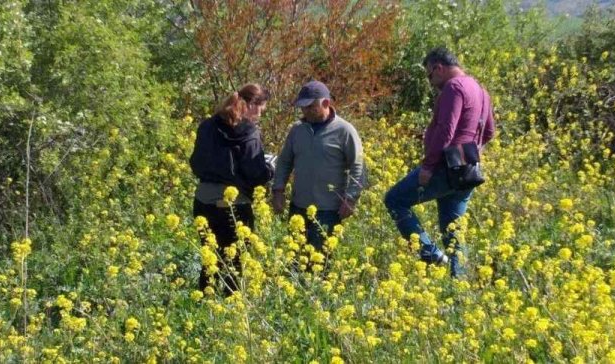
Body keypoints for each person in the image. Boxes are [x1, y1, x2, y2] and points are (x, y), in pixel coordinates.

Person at [384, 47, 495, 277]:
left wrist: (428, 166)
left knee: (394, 200)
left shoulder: (454, 87)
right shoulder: (481, 90)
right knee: (453, 231)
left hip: (444, 168)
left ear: (439, 68)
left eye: (429, 75)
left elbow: (446, 130)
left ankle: (431, 254)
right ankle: (459, 287)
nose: (430, 81)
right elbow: (489, 132)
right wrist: (473, 152)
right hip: (468, 171)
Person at [189, 83, 274, 294]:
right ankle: (232, 307)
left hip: (203, 201)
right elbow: (255, 173)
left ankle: (205, 305)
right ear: (253, 105)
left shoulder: (207, 125)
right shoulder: (249, 132)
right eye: (261, 110)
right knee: (236, 262)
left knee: (210, 259)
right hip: (235, 205)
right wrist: (271, 169)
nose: (260, 115)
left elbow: (196, 163)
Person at [272, 80, 364, 254]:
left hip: (328, 211)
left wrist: (351, 198)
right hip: (298, 208)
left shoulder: (345, 131)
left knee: (320, 266)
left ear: (326, 103)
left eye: (310, 107)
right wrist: (278, 190)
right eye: (302, 107)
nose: (305, 111)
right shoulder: (297, 130)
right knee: (295, 261)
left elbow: (357, 167)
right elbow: (284, 162)